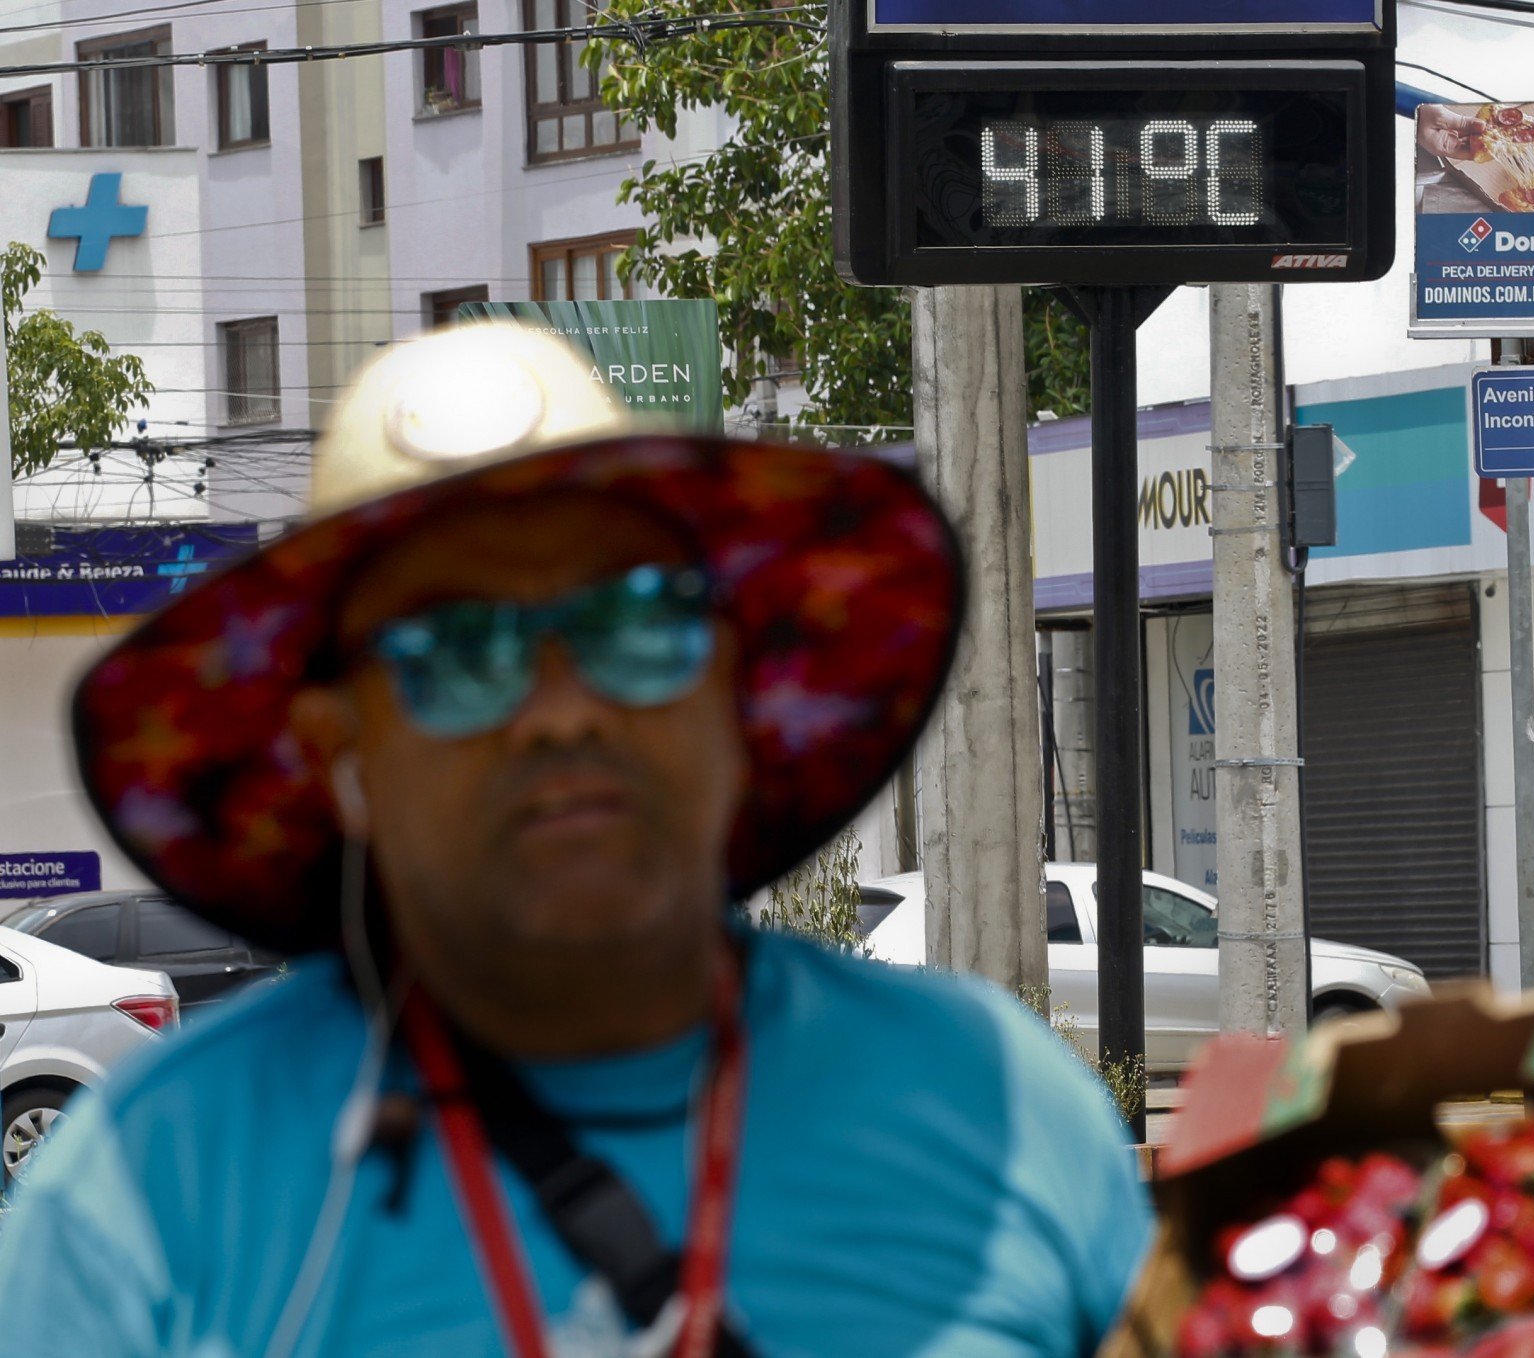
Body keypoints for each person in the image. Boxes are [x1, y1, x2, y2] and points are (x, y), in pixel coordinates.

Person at [0, 323, 1153, 1357]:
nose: (563, 710)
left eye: (634, 620)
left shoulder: (1000, 1107)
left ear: (733, 689)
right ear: (339, 750)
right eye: (459, 653)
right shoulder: (146, 1200)